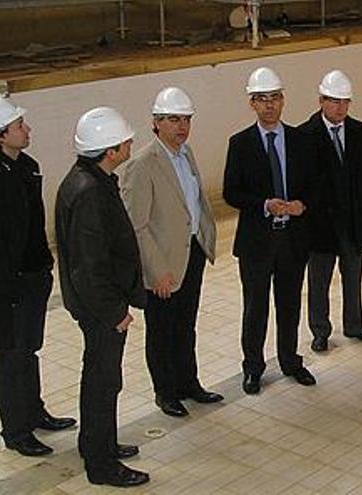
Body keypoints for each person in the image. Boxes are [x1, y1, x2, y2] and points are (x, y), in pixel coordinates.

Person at [0, 96, 76, 457]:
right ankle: (15, 431)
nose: (27, 129)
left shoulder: (26, 166)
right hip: (9, 287)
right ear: (0, 135)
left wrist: (43, 268)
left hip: (32, 278)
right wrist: (10, 289)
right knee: (12, 355)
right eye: (19, 126)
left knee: (29, 350)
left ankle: (33, 411)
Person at [55, 106, 149, 487]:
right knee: (103, 381)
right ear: (110, 150)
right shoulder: (91, 191)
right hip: (100, 308)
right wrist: (114, 312)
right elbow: (88, 266)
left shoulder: (90, 178)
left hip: (98, 304)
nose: (130, 144)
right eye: (125, 140)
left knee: (100, 377)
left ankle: (97, 442)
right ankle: (102, 464)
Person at [121, 87, 221, 418]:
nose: (181, 126)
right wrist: (156, 270)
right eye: (173, 119)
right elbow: (137, 225)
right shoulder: (142, 164)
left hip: (190, 252)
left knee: (185, 323)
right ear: (156, 123)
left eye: (186, 119)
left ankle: (188, 382)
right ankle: (165, 392)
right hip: (163, 263)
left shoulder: (185, 153)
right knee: (162, 330)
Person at [223, 66, 319, 394]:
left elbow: (315, 185)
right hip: (257, 243)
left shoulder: (300, 140)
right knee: (256, 307)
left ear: (283, 101)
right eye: (261, 99)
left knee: (290, 303)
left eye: (274, 98)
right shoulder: (240, 144)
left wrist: (302, 205)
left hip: (292, 239)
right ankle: (253, 367)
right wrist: (264, 204)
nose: (269, 105)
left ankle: (290, 360)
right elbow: (231, 192)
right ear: (252, 104)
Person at [298, 70, 362, 352]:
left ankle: (355, 325)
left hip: (353, 224)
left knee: (353, 277)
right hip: (321, 227)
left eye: (345, 102)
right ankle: (320, 330)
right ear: (321, 100)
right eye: (334, 101)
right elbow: (299, 183)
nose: (340, 107)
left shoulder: (361, 133)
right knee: (319, 282)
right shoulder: (305, 136)